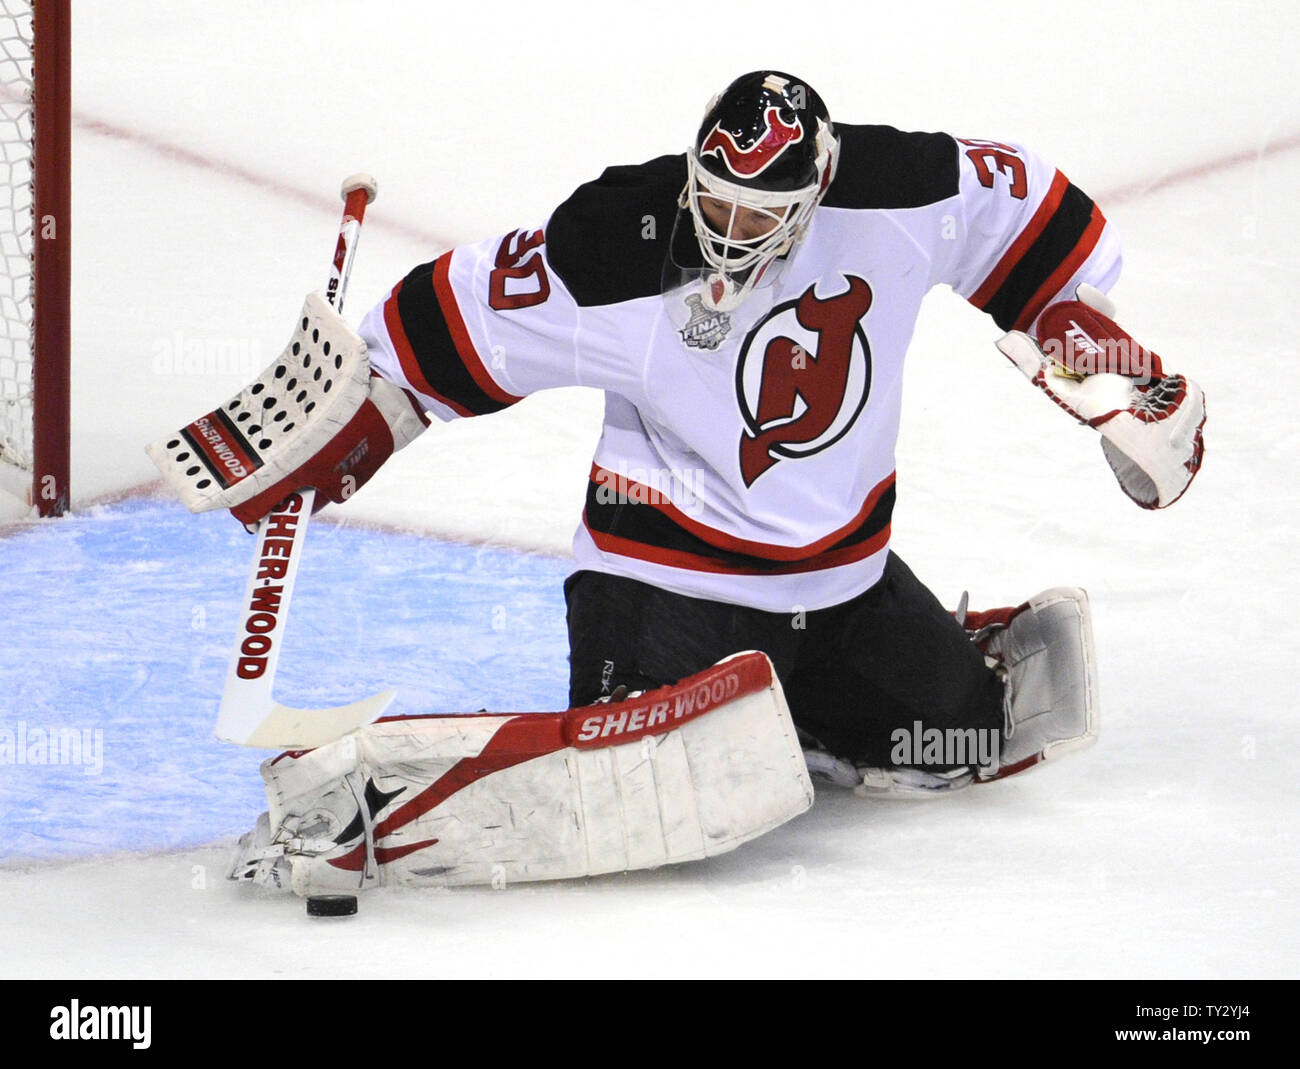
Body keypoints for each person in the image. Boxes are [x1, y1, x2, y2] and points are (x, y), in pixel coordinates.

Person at [323, 70, 1203, 793]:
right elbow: (441, 322)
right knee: (637, 780)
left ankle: (809, 699)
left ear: (815, 191)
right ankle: (638, 704)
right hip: (663, 582)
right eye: (716, 202)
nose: (728, 233)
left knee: (966, 739)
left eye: (758, 216)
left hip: (841, 588)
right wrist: (349, 412)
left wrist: (1082, 340)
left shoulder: (899, 192)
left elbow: (1027, 219)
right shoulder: (620, 241)